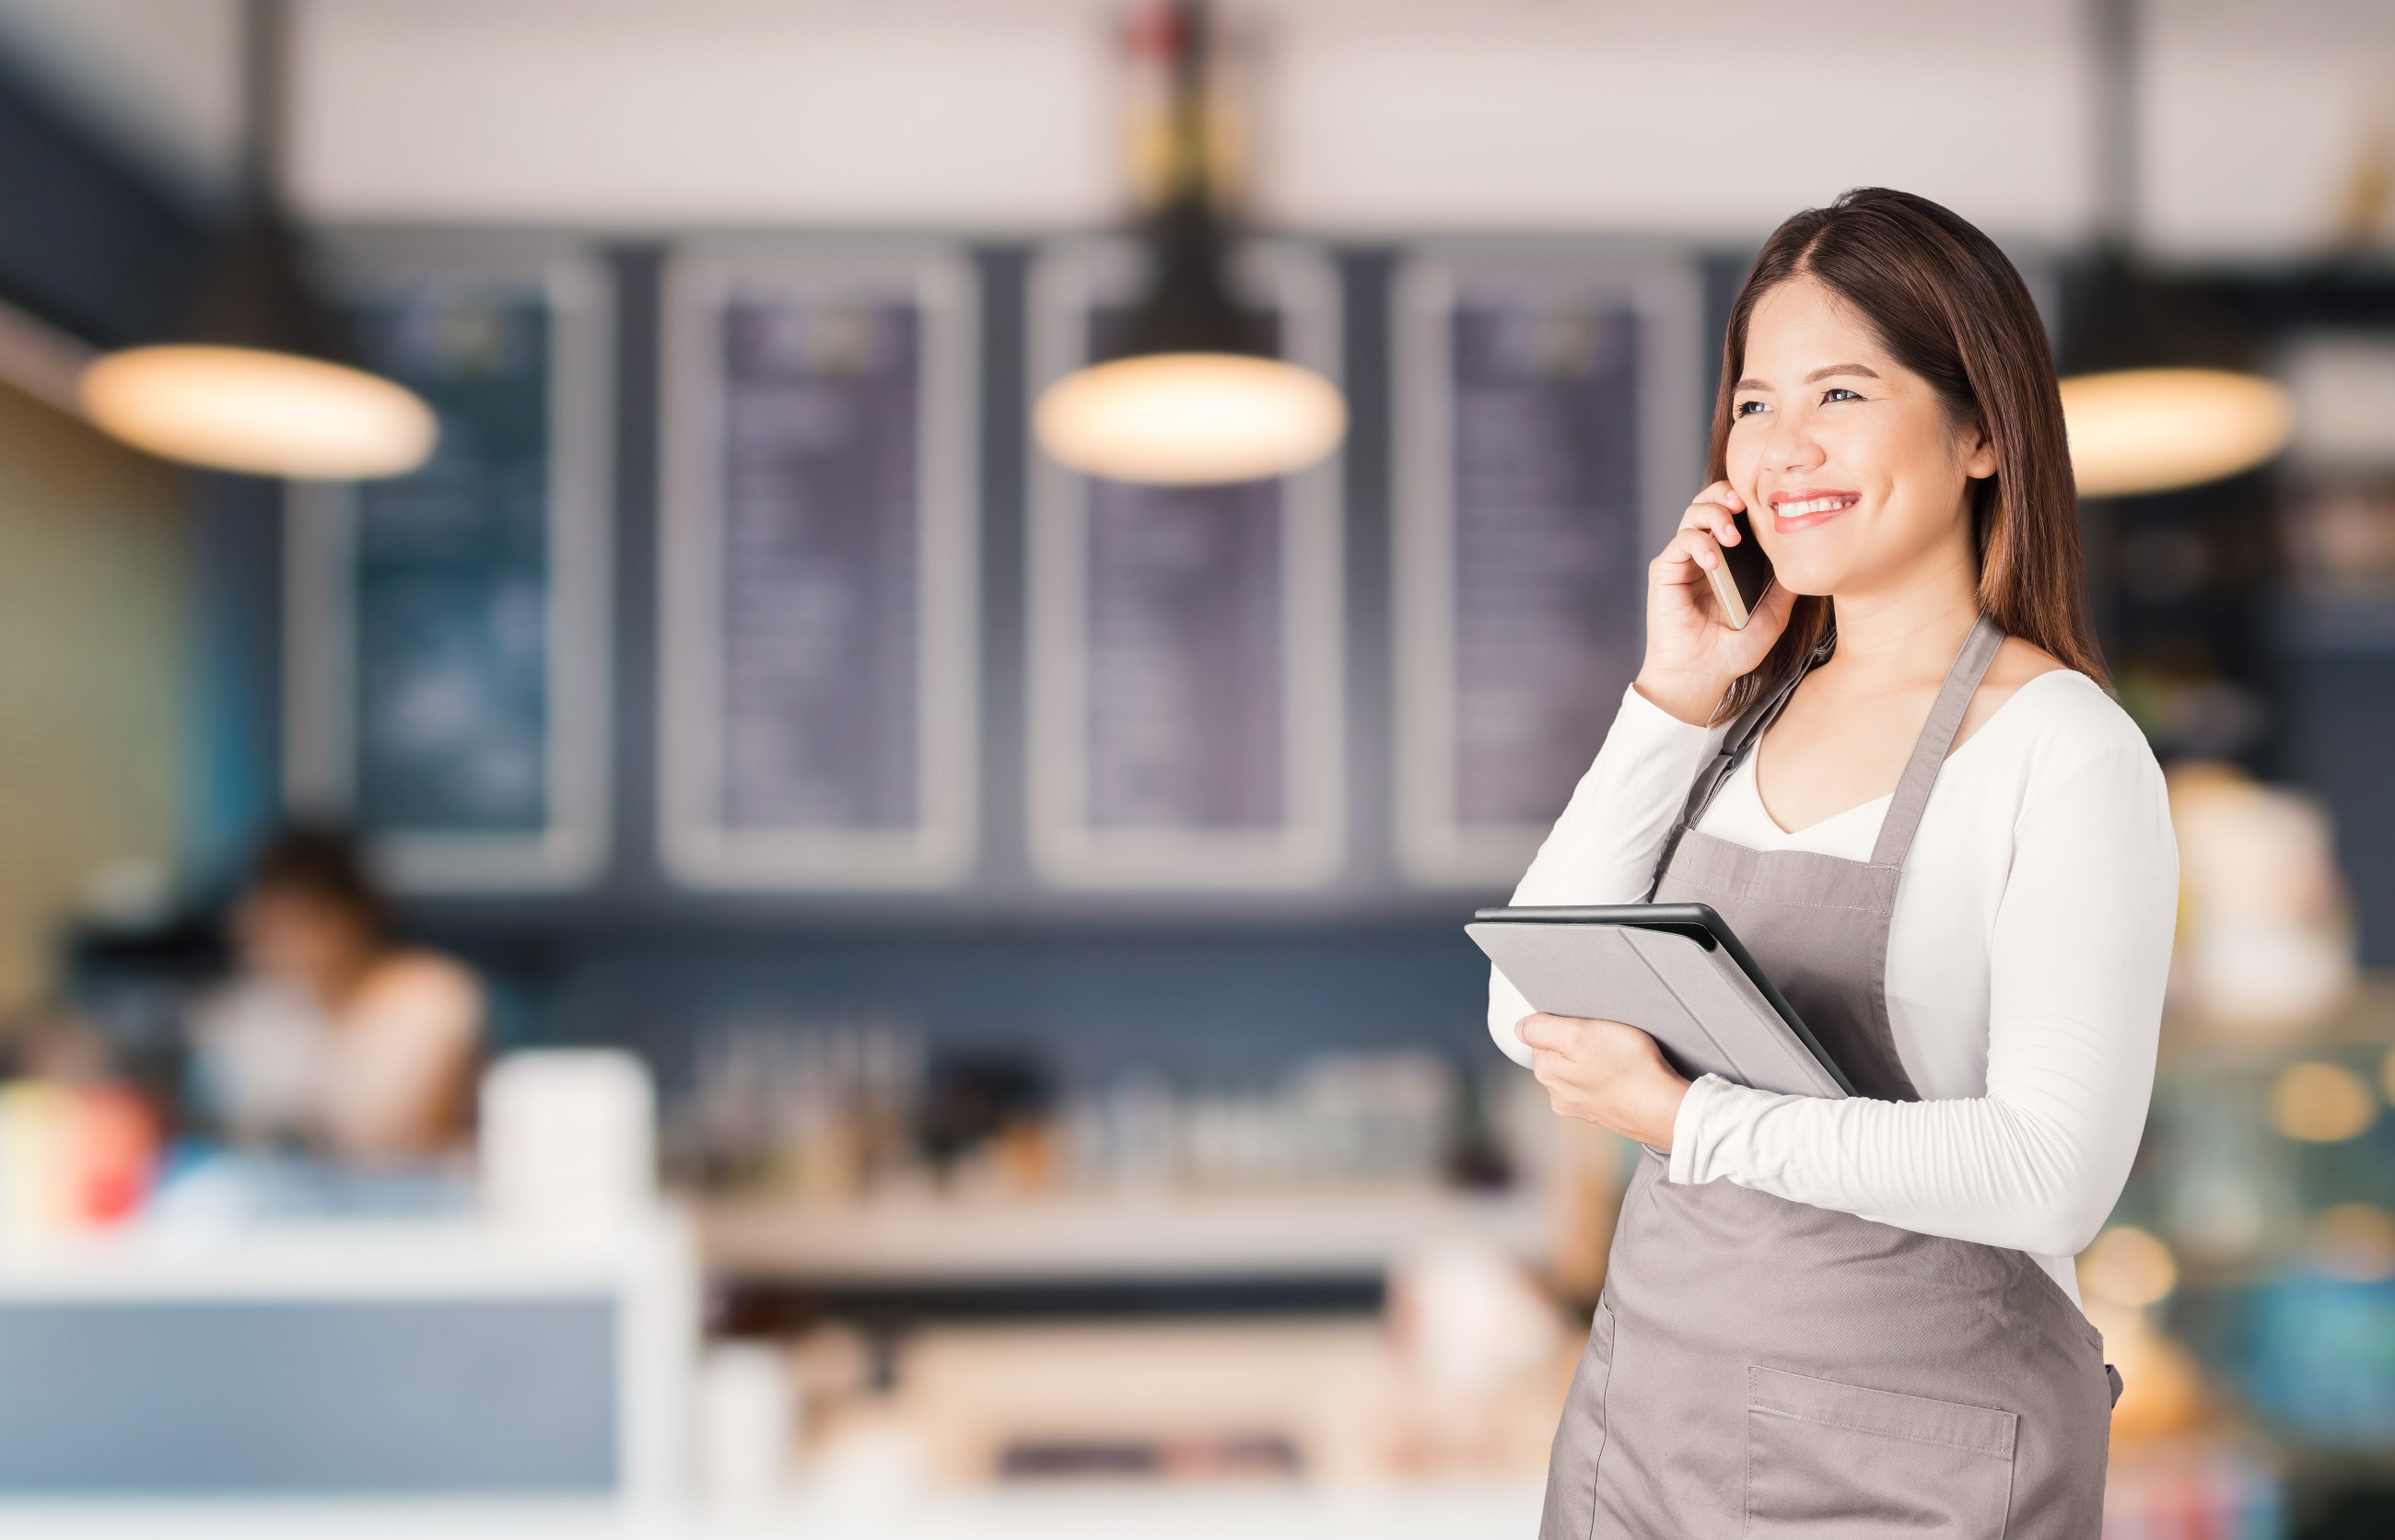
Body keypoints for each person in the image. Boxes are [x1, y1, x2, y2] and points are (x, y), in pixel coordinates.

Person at [1489, 188, 2176, 1538]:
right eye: (1753, 405)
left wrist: (1691, 1122)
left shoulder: (2065, 755)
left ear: (1983, 427)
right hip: (1653, 1429)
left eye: (1841, 395)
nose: (1782, 450)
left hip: (1917, 1466)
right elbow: (1529, 1010)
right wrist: (1667, 696)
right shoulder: (1734, 722)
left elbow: (2052, 1173)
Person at [193, 825, 484, 1165]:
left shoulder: (432, 997)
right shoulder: (268, 1008)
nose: (268, 943)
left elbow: (423, 1146)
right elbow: (237, 1134)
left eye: (287, 921)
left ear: (346, 917)